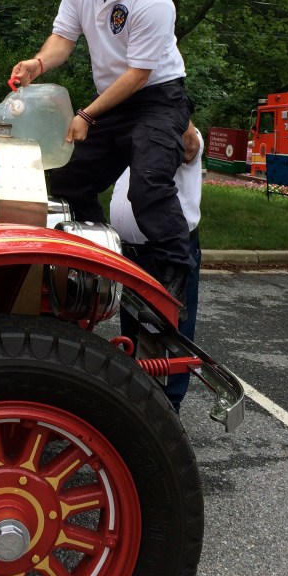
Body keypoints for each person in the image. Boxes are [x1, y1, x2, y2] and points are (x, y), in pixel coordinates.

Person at [10, 0, 193, 301]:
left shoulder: (152, 0)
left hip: (157, 99)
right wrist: (37, 64)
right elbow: (63, 39)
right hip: (112, 100)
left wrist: (87, 115)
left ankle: (175, 270)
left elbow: (138, 75)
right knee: (67, 180)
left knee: (146, 186)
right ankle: (102, 260)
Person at [110, 123, 203, 414]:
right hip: (132, 254)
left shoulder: (185, 134)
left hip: (167, 253)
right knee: (134, 331)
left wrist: (165, 99)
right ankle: (140, 404)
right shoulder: (141, 137)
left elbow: (189, 145)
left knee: (171, 333)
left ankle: (168, 411)